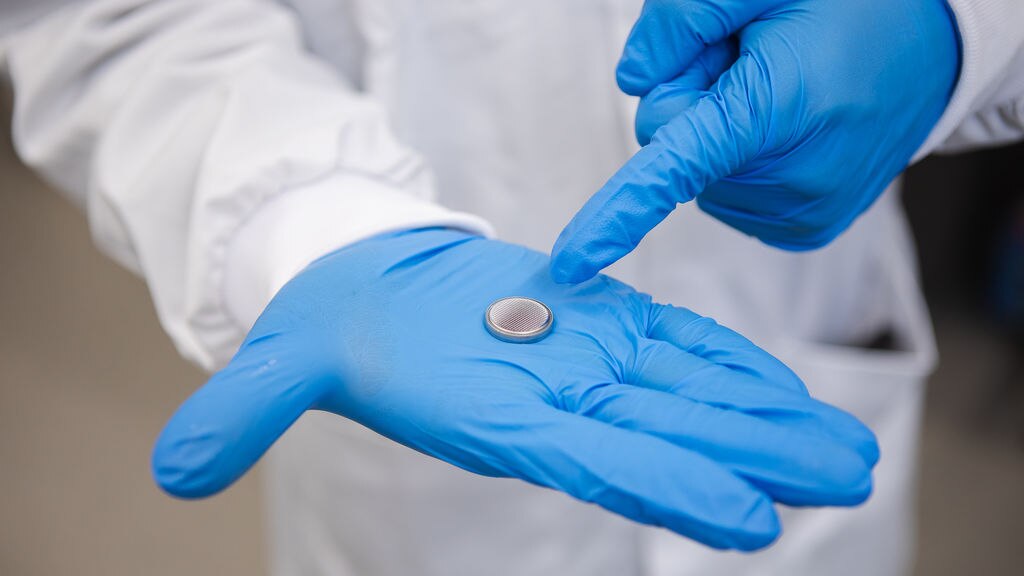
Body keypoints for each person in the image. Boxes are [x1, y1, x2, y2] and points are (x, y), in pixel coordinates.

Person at [1, 0, 1022, 575]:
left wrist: (955, 31)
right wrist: (313, 224)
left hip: (787, 312)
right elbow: (110, 19)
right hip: (411, 422)